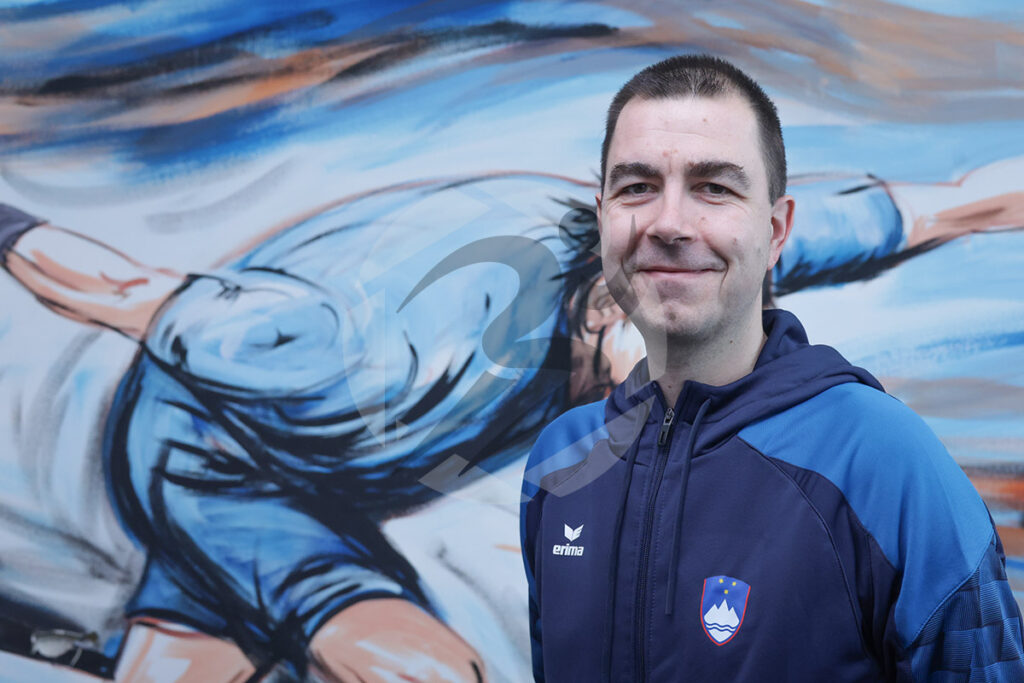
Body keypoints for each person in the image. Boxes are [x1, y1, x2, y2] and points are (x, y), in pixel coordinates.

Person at [1, 157, 1020, 680]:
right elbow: (110, 285)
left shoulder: (705, 262)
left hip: (328, 481)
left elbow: (942, 204)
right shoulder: (371, 343)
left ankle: (159, 634)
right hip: (207, 465)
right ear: (607, 302)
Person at [520, 54, 1024, 682]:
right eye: (637, 187)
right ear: (603, 220)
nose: (669, 223)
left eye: (714, 187)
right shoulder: (561, 461)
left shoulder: (883, 462)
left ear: (777, 231)